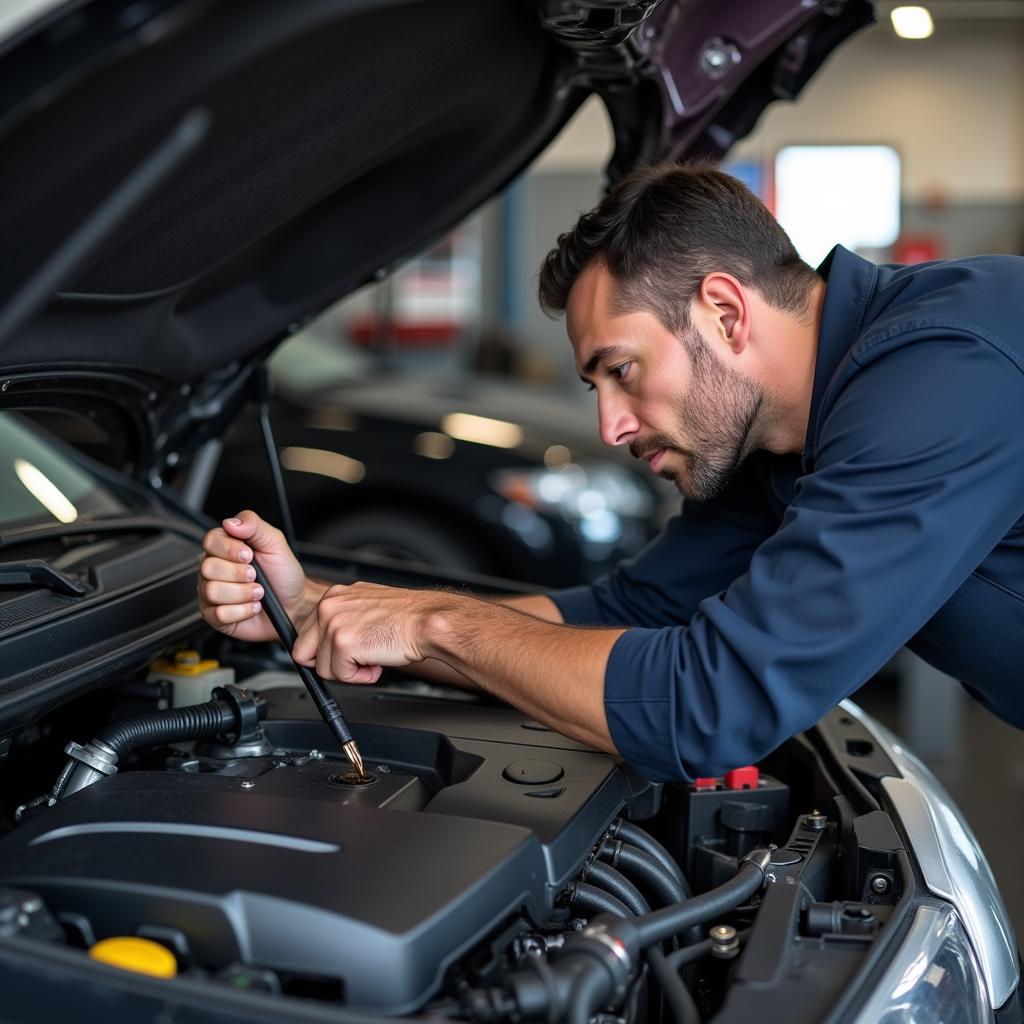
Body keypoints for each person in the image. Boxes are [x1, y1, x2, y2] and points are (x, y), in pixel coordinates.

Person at [198, 163, 1024, 782]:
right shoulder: (773, 443)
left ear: (725, 313)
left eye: (622, 370)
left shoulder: (944, 372)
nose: (612, 424)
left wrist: (435, 622)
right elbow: (619, 613)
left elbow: (711, 704)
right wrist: (318, 613)